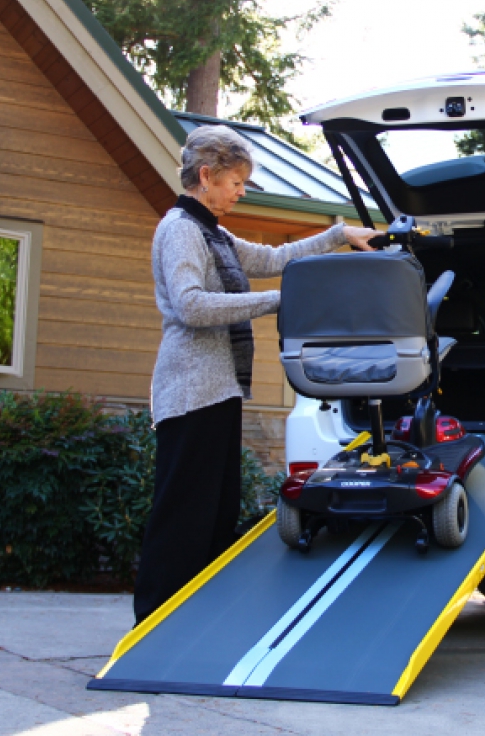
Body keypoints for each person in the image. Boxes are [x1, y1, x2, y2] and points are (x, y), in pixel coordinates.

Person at [133, 124, 382, 624]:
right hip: (189, 391)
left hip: (218, 389)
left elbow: (272, 258)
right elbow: (190, 306)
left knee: (215, 515)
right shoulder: (180, 229)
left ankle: (192, 623)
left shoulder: (211, 231)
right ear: (206, 176)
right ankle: (153, 626)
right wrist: (279, 301)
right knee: (183, 517)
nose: (241, 191)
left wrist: (339, 235)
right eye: (235, 182)